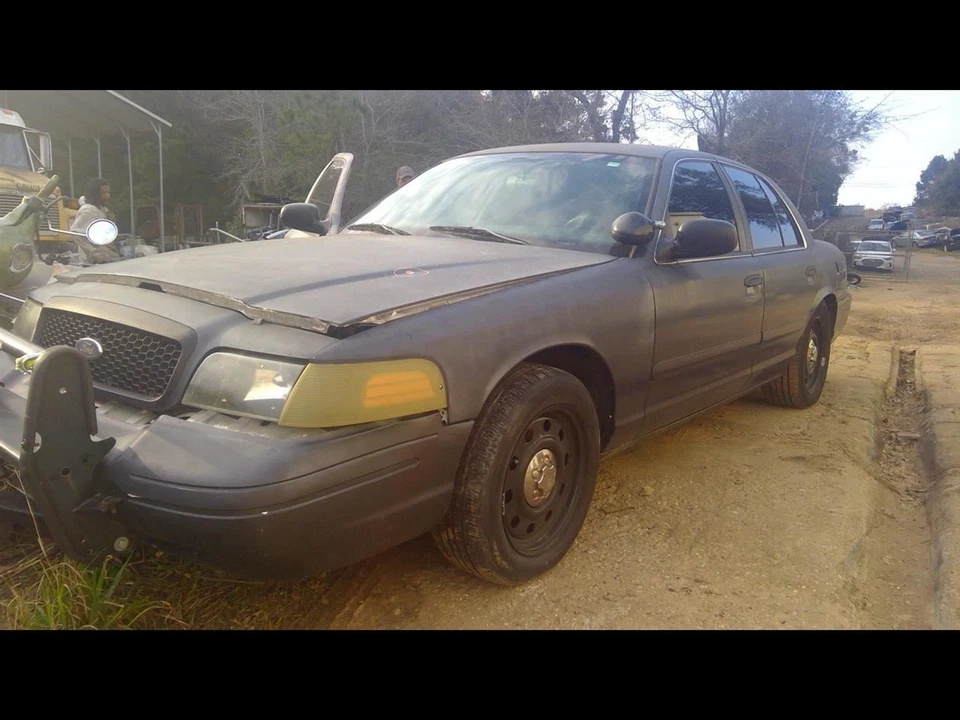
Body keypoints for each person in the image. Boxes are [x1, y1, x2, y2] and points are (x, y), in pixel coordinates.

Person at [70, 177, 122, 264]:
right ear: (95, 194)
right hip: (96, 265)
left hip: (108, 260)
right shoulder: (88, 211)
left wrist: (111, 221)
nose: (107, 196)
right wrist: (95, 254)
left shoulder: (102, 209)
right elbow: (76, 233)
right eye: (104, 193)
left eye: (108, 192)